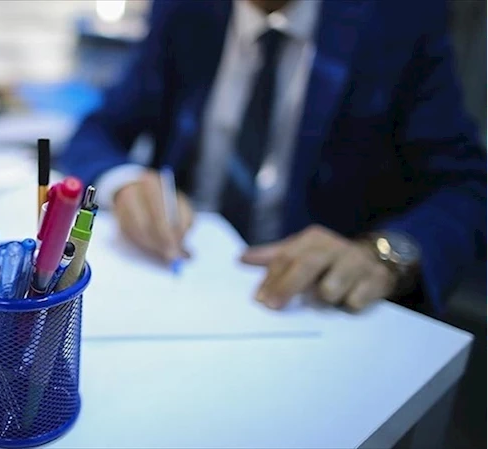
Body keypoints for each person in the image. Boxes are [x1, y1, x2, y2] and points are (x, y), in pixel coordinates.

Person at [59, 0, 486, 314]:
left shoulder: (400, 18)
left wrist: (382, 254)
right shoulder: (186, 10)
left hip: (310, 303)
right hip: (184, 274)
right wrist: (125, 182)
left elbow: (467, 186)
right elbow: (98, 130)